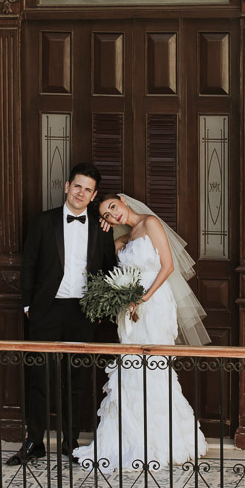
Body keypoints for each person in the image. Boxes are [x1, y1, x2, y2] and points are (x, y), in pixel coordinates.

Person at [72, 193, 209, 472]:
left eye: (113, 207)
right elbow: (103, 260)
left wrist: (144, 299)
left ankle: (165, 440)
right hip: (130, 311)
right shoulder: (123, 240)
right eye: (107, 215)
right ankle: (129, 437)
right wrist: (107, 233)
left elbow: (168, 266)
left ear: (123, 201)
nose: (113, 215)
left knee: (155, 367)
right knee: (132, 369)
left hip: (154, 303)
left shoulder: (150, 223)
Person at [6, 163, 118, 467]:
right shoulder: (43, 222)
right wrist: (29, 306)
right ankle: (34, 442)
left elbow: (109, 269)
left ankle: (70, 442)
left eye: (88, 190)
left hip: (83, 311)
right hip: (46, 309)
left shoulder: (101, 228)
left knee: (76, 379)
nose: (81, 193)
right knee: (40, 378)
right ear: (67, 186)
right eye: (77, 186)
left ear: (94, 195)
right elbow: (28, 265)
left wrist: (100, 308)